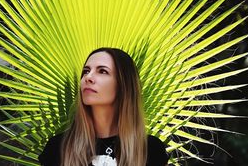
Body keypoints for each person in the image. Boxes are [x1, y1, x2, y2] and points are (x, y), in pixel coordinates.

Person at [39, 47, 169, 166]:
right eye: (86, 71)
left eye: (102, 71)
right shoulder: (57, 148)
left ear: (123, 85)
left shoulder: (150, 150)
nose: (88, 77)